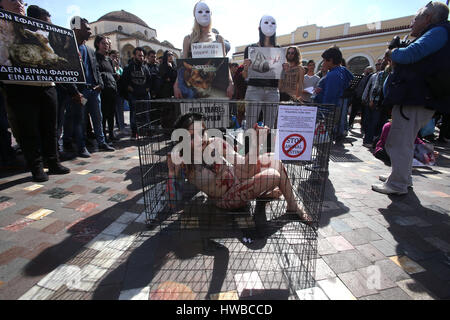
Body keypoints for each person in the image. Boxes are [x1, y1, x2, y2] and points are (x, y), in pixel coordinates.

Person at [167, 113, 312, 224]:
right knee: (272, 175)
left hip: (237, 176)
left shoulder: (216, 142)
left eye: (201, 133)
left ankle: (292, 206)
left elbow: (243, 164)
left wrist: (257, 141)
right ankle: (261, 194)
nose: (200, 139)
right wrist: (171, 173)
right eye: (192, 137)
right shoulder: (184, 162)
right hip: (225, 198)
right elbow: (172, 200)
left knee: (275, 160)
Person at [372, 2, 450, 195]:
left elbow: (412, 54)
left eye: (415, 18)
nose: (412, 23)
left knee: (399, 141)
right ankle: (401, 177)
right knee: (403, 140)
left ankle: (397, 184)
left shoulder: (437, 32)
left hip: (414, 99)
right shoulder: (438, 33)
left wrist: (394, 53)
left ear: (428, 18)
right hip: (415, 99)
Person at [0, 1, 70, 181]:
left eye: (21, 1)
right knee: (28, 129)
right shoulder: (3, 27)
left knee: (50, 127)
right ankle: (36, 166)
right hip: (20, 87)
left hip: (47, 85)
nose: (18, 3)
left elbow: (51, 55)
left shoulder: (37, 29)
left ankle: (53, 162)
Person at [65, 17, 115, 157]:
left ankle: (102, 142)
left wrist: (100, 84)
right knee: (80, 119)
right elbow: (67, 71)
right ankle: (81, 147)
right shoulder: (68, 48)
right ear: (76, 29)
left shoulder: (90, 50)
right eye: (86, 28)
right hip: (79, 93)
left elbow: (96, 69)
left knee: (97, 118)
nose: (89, 31)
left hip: (93, 91)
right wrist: (74, 91)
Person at [174, 1, 234, 99]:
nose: (204, 14)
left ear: (211, 14)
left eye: (207, 11)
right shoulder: (188, 39)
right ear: (195, 15)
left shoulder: (219, 38)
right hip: (194, 88)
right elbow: (182, 64)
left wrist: (231, 83)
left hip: (216, 87)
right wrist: (176, 85)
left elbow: (225, 65)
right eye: (200, 12)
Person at [243, 15, 281, 129]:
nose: (269, 25)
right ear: (259, 28)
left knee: (270, 126)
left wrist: (285, 70)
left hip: (273, 91)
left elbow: (279, 76)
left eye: (272, 23)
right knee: (250, 124)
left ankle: (268, 147)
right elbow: (245, 76)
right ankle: (249, 146)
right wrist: (246, 67)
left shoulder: (278, 49)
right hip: (254, 89)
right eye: (266, 23)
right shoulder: (250, 48)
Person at [314, 46, 354, 141]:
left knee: (322, 140)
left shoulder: (333, 75)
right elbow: (351, 78)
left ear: (331, 60)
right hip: (336, 108)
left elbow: (329, 96)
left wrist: (323, 111)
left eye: (324, 60)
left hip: (328, 111)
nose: (323, 63)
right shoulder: (342, 70)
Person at [121, 47, 152, 139]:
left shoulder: (145, 67)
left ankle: (147, 131)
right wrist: (129, 89)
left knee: (146, 113)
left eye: (142, 56)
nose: (141, 57)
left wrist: (147, 89)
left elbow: (149, 79)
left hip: (144, 95)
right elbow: (124, 81)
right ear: (134, 56)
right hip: (133, 95)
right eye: (139, 55)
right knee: (134, 115)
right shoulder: (128, 67)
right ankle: (134, 133)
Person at [95, 35, 119, 142]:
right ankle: (103, 135)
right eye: (104, 43)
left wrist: (115, 75)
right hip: (102, 90)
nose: (106, 46)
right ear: (98, 44)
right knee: (103, 114)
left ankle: (111, 133)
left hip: (112, 89)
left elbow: (111, 73)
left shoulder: (109, 60)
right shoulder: (94, 57)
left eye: (108, 44)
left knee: (111, 113)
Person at [348, 66, 374, 130]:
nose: (367, 71)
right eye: (366, 70)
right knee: (353, 111)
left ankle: (362, 126)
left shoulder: (370, 77)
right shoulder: (360, 77)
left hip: (364, 98)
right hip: (357, 96)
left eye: (369, 70)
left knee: (364, 113)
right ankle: (350, 124)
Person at [110, 50, 126, 131]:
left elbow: (121, 77)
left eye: (117, 57)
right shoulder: (109, 66)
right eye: (113, 56)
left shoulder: (119, 67)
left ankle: (121, 126)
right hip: (111, 92)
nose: (116, 59)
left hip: (119, 91)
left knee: (119, 110)